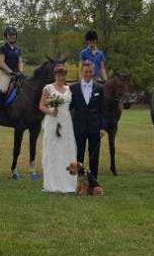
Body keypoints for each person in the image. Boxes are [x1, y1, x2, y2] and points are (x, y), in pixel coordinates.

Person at [39, 63, 77, 193]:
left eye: (63, 75)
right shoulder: (48, 88)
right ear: (55, 75)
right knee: (53, 150)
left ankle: (68, 181)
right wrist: (50, 112)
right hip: (53, 122)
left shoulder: (68, 89)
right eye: (59, 75)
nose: (61, 77)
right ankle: (52, 182)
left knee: (67, 150)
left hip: (66, 122)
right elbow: (41, 105)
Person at [69, 60, 105, 178]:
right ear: (81, 72)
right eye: (86, 72)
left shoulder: (99, 88)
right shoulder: (73, 88)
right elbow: (69, 107)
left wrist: (103, 127)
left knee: (94, 155)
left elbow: (102, 109)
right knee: (79, 154)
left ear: (93, 72)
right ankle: (78, 179)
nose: (88, 74)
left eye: (90, 71)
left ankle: (93, 179)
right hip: (79, 126)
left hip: (95, 127)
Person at [0, 25, 23, 118]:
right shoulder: (2, 48)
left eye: (14, 35)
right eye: (10, 35)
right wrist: (11, 72)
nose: (12, 36)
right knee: (4, 89)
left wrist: (20, 71)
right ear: (6, 36)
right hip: (5, 74)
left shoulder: (18, 50)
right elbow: (1, 63)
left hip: (17, 74)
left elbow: (20, 61)